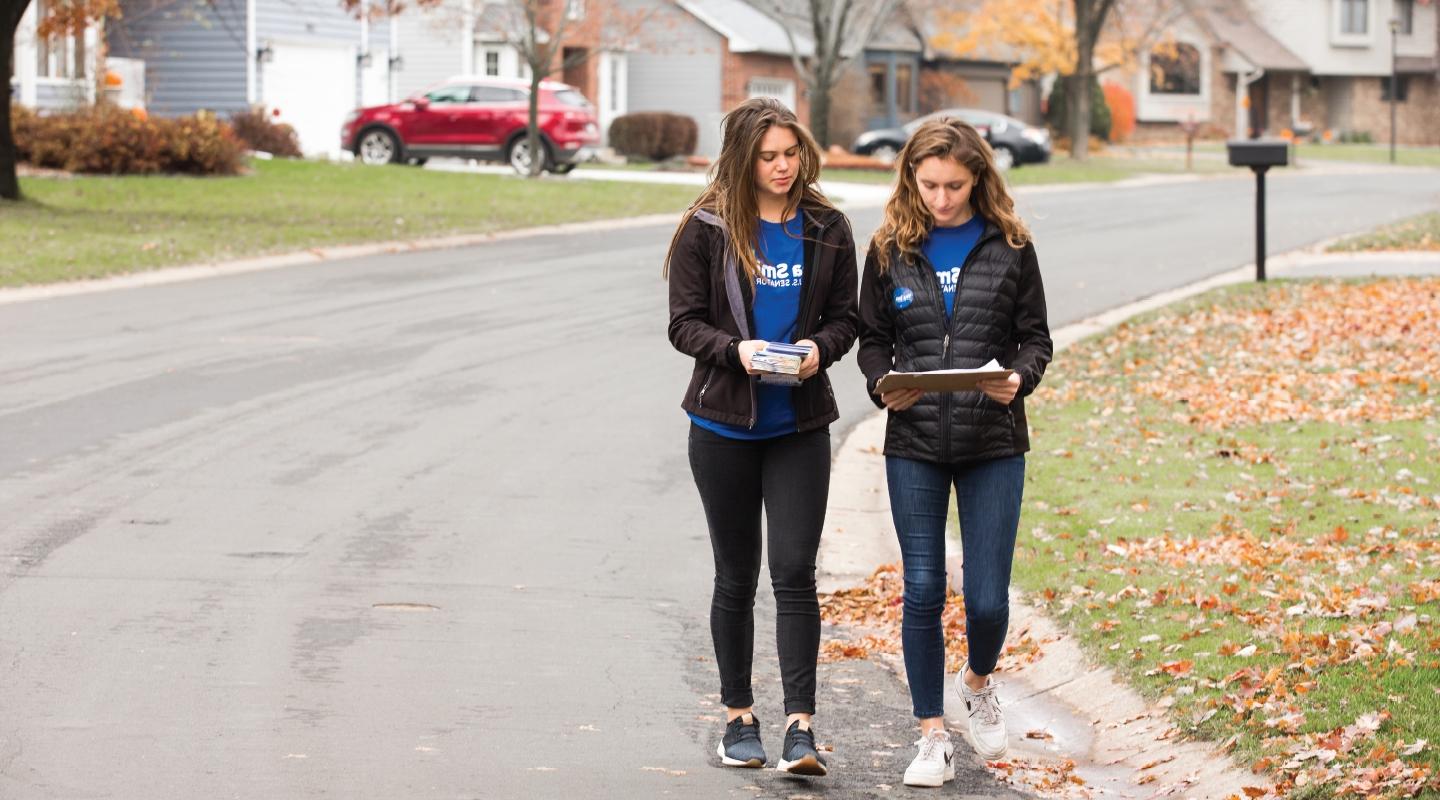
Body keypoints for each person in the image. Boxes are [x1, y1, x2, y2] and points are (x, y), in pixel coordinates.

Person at [856, 118, 1052, 787]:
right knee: (920, 588)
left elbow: (1036, 340)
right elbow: (873, 340)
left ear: (979, 180)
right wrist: (884, 387)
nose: (941, 198)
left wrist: (1019, 379)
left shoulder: (1012, 246)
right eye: (929, 183)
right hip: (913, 443)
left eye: (955, 186)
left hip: (993, 442)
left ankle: (978, 680)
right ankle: (931, 736)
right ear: (911, 176)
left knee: (989, 601)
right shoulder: (888, 248)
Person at [665, 97, 858, 777]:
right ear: (744, 159)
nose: (784, 167)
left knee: (796, 572)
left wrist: (817, 348)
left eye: (792, 153)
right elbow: (684, 323)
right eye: (770, 157)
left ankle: (800, 728)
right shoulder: (708, 226)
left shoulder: (828, 226)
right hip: (722, 426)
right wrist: (735, 352)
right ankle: (738, 717)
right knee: (736, 575)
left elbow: (846, 318)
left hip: (798, 425)